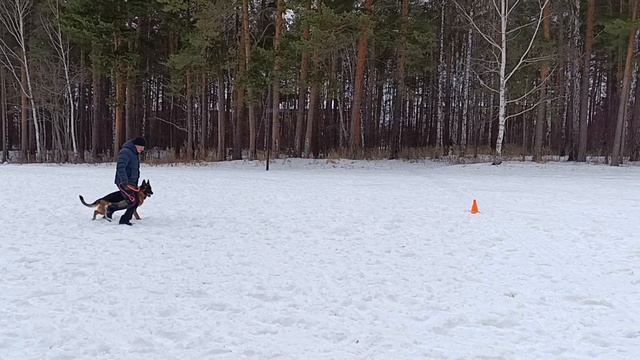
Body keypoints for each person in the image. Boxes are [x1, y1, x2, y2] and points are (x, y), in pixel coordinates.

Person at [106, 137, 145, 225]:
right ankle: (124, 220)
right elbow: (121, 167)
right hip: (124, 182)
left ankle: (111, 208)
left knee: (132, 200)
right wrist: (124, 181)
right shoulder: (126, 152)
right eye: (141, 147)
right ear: (136, 145)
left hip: (131, 183)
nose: (143, 149)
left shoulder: (134, 153)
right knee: (133, 201)